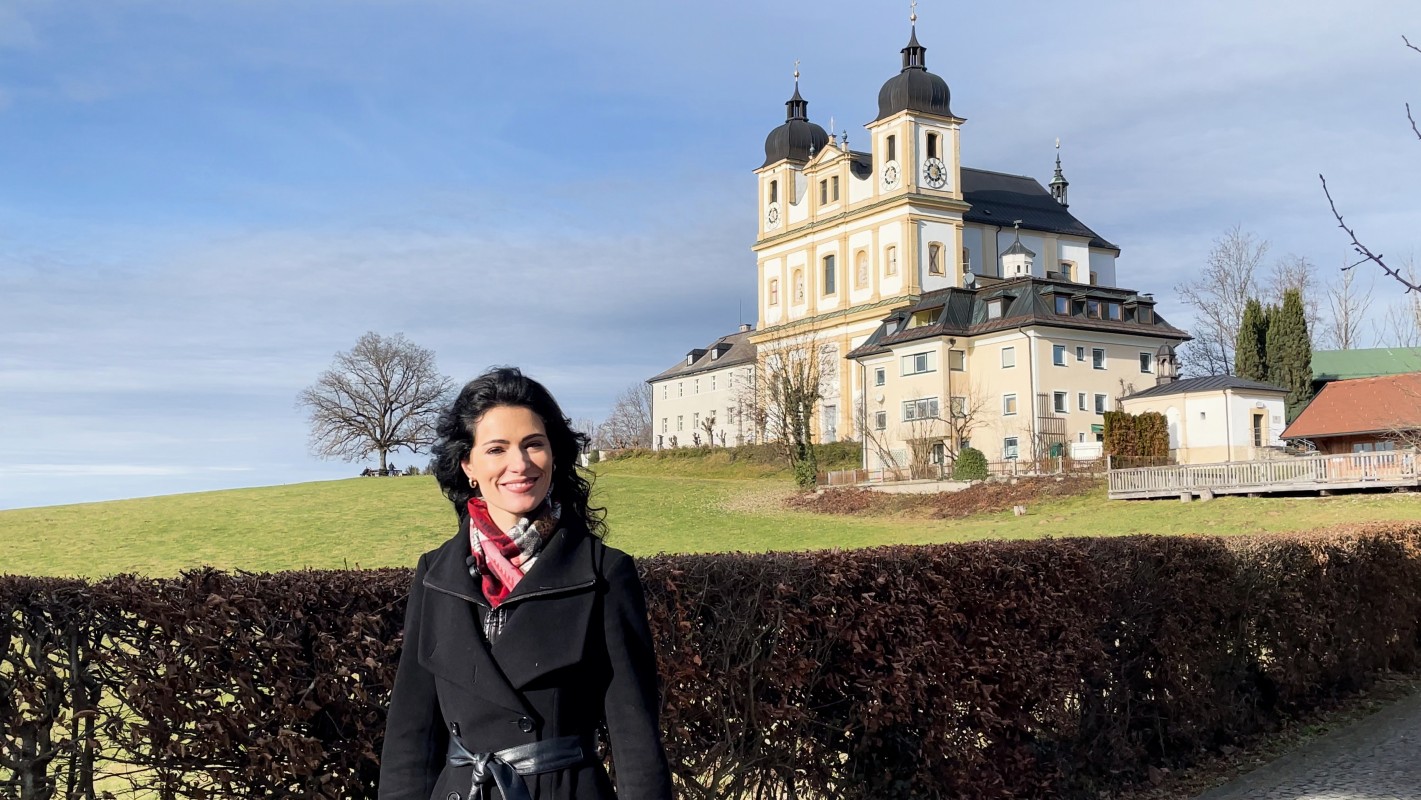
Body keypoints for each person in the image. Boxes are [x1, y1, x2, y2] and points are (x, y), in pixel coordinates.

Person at [379, 367, 673, 800]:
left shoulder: (602, 573)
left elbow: (636, 737)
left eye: (533, 444)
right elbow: (410, 732)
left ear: (554, 455)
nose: (519, 464)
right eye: (496, 449)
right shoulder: (436, 575)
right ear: (468, 465)